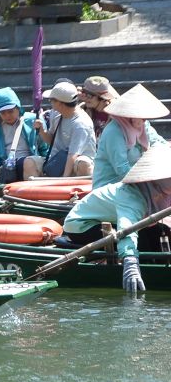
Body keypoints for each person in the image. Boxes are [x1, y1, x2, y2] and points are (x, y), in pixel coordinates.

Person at [63, 144, 171, 294]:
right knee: (142, 240)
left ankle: (160, 265)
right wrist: (130, 263)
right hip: (81, 225)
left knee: (161, 231)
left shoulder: (161, 191)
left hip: (106, 219)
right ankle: (149, 272)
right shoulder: (132, 196)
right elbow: (126, 229)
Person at [93, 83, 169, 189]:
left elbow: (159, 143)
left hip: (137, 182)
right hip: (111, 186)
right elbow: (121, 169)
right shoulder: (114, 132)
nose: (143, 120)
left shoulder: (143, 125)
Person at [0, 87, 46, 184]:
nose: (7, 116)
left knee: (23, 163)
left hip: (26, 163)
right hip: (5, 166)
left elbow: (44, 147)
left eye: (10, 111)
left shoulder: (32, 120)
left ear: (18, 108)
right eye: (3, 113)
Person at [36, 81, 96, 177]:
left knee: (82, 164)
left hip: (76, 162)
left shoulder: (81, 124)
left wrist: (64, 179)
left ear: (60, 103)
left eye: (52, 100)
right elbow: (51, 140)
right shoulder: (56, 114)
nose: (50, 103)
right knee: (29, 163)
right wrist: (42, 131)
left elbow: (73, 155)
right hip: (57, 161)